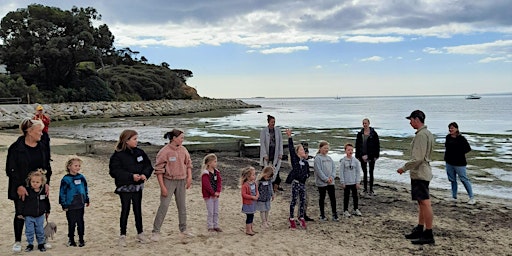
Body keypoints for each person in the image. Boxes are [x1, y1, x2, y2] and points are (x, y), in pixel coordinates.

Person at [6, 118, 52, 253]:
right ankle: (18, 241)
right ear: (29, 131)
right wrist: (19, 186)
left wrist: (47, 183)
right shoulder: (16, 148)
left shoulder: (42, 146)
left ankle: (41, 240)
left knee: (41, 210)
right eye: (39, 131)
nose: (42, 134)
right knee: (21, 213)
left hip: (40, 184)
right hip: (20, 185)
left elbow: (47, 167)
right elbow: (10, 169)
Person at [109, 130, 153, 246]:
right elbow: (114, 171)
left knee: (138, 210)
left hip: (138, 187)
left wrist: (145, 174)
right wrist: (131, 176)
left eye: (137, 138)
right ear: (127, 141)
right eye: (134, 139)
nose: (136, 141)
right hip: (125, 187)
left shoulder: (140, 152)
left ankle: (140, 233)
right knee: (125, 210)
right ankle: (122, 235)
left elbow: (148, 166)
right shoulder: (117, 155)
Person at [397, 110, 435, 245]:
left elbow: (418, 158)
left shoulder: (421, 135)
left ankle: (428, 232)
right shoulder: (427, 133)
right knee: (421, 202)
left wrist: (404, 167)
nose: (410, 122)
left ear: (417, 119)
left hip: (420, 172)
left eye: (411, 120)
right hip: (423, 171)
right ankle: (420, 228)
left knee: (425, 202)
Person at [151, 129, 194, 241]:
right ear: (174, 138)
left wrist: (189, 177)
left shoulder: (184, 150)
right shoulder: (164, 152)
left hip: (182, 180)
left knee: (182, 206)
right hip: (168, 181)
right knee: (164, 206)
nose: (182, 139)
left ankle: (183, 229)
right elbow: (158, 170)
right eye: (181, 137)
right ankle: (156, 231)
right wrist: (162, 187)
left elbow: (189, 164)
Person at [16, 169, 51, 252]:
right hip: (29, 216)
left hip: (40, 216)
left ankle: (41, 244)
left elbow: (46, 202)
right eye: (33, 181)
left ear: (42, 182)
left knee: (40, 231)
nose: (35, 183)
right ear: (30, 181)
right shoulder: (27, 191)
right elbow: (21, 203)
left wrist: (48, 210)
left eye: (37, 182)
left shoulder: (43, 192)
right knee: (29, 231)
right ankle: (30, 244)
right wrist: (20, 213)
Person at [59, 157, 90, 247]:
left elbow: (85, 189)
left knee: (80, 222)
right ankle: (71, 239)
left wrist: (87, 199)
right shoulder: (66, 179)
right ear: (69, 166)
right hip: (70, 204)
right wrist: (63, 204)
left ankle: (81, 239)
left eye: (79, 166)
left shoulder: (81, 177)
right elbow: (62, 192)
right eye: (75, 165)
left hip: (80, 203)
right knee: (72, 222)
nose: (78, 167)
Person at [284, 128, 310, 230]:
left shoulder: (306, 163)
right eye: (302, 150)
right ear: (298, 152)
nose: (304, 151)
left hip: (302, 184)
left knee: (303, 200)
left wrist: (306, 176)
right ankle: (291, 217)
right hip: (295, 183)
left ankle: (301, 217)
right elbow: (291, 148)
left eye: (304, 150)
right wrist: (290, 137)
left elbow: (308, 172)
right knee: (294, 200)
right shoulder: (295, 160)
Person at [444, 122, 475, 205]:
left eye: (452, 128)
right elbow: (446, 147)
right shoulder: (448, 137)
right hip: (449, 162)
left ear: (456, 129)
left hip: (459, 163)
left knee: (464, 179)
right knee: (452, 180)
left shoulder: (461, 138)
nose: (451, 130)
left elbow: (468, 149)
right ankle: (454, 196)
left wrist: (459, 154)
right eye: (450, 128)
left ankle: (472, 197)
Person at [355, 118, 380, 197]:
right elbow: (357, 145)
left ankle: (371, 189)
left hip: (372, 155)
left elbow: (377, 145)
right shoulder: (360, 134)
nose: (364, 124)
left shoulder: (374, 133)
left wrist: (377, 155)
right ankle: (365, 189)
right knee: (365, 173)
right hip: (362, 155)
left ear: (369, 123)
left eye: (366, 123)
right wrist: (358, 156)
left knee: (371, 172)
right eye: (363, 123)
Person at [314, 141, 338, 221]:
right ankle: (322, 215)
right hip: (322, 183)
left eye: (327, 148)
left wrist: (332, 177)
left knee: (332, 198)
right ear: (320, 148)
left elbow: (334, 168)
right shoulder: (318, 158)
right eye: (325, 148)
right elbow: (318, 170)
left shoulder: (329, 158)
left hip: (331, 182)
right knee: (322, 198)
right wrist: (325, 179)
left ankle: (334, 214)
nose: (326, 150)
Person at [259, 115, 284, 193]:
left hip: (275, 152)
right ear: (268, 122)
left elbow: (280, 142)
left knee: (276, 170)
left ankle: (275, 188)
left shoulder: (278, 131)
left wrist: (281, 153)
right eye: (272, 122)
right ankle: (264, 186)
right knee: (265, 170)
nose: (273, 123)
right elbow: (262, 143)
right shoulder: (264, 131)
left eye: (274, 122)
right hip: (267, 152)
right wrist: (264, 155)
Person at [201, 153, 223, 233]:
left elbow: (219, 182)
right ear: (209, 163)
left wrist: (218, 191)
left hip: (216, 195)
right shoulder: (205, 174)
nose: (216, 163)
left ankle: (216, 225)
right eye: (214, 161)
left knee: (216, 211)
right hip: (209, 195)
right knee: (210, 211)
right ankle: (210, 226)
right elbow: (207, 185)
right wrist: (213, 193)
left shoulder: (216, 172)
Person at [339, 143, 362, 217]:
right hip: (346, 182)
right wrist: (342, 182)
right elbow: (341, 172)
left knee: (355, 196)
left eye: (352, 150)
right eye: (348, 150)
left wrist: (358, 181)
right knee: (346, 196)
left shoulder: (356, 161)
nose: (350, 151)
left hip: (354, 182)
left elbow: (358, 172)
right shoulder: (343, 161)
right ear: (345, 151)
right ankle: (345, 210)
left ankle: (356, 209)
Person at [240, 166, 259, 236]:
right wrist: (252, 197)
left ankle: (251, 228)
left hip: (253, 203)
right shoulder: (245, 185)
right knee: (249, 216)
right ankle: (248, 230)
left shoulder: (254, 183)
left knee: (252, 215)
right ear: (248, 176)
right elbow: (243, 194)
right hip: (248, 204)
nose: (255, 176)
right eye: (253, 175)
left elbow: (257, 191)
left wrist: (257, 195)